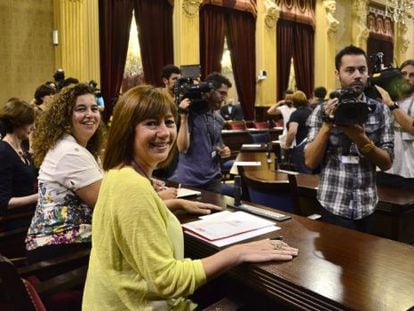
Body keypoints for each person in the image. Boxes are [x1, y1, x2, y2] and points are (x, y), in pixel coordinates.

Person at [82, 85, 298, 310]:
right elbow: (167, 280)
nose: (165, 132)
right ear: (127, 130)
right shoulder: (131, 187)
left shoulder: (119, 173)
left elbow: (133, 219)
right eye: (151, 123)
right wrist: (239, 251)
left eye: (169, 121)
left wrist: (171, 205)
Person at [304, 45, 394, 232]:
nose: (357, 75)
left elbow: (387, 163)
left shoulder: (380, 111)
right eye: (350, 70)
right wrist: (328, 124)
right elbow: (310, 161)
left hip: (367, 205)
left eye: (362, 69)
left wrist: (361, 139)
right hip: (333, 202)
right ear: (338, 74)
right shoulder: (322, 110)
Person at [25, 83, 105, 263]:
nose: (90, 115)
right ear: (65, 117)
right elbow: (109, 203)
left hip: (73, 242)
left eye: (94, 108)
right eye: (81, 109)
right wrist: (172, 202)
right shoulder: (69, 152)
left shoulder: (79, 148)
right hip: (57, 251)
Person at [171, 72, 232, 194]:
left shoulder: (219, 119)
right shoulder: (190, 114)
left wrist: (223, 150)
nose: (224, 98)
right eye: (221, 93)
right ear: (209, 91)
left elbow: (217, 145)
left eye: (225, 94)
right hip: (189, 180)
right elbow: (182, 148)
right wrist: (184, 117)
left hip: (213, 179)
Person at [376, 59, 414, 189]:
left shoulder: (389, 101)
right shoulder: (388, 96)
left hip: (409, 172)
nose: (407, 78)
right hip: (384, 170)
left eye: (412, 75)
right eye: (403, 74)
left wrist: (391, 105)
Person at [0, 99, 38, 218]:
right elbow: (4, 202)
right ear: (18, 124)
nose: (33, 127)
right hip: (15, 221)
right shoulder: (3, 152)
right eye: (30, 123)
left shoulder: (23, 149)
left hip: (28, 214)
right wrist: (38, 197)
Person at [282, 91, 313, 173]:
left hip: (301, 147)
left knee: (303, 174)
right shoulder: (311, 111)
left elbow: (292, 131)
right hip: (313, 145)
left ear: (294, 101)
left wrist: (287, 145)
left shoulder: (296, 114)